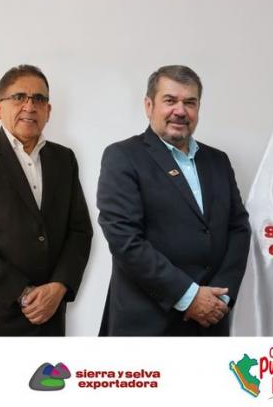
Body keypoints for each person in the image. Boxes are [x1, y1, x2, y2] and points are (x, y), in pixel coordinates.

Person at [97, 65, 251, 336]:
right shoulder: (123, 156)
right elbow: (124, 239)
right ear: (149, 105)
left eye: (190, 102)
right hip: (147, 325)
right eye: (170, 100)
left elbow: (238, 228)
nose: (180, 111)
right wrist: (189, 296)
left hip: (210, 321)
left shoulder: (218, 161)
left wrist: (221, 298)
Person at [0, 64, 92, 336]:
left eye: (39, 99)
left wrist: (60, 286)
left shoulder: (64, 159)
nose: (30, 106)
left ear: (48, 111)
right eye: (18, 97)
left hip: (51, 312)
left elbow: (80, 231)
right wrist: (22, 292)